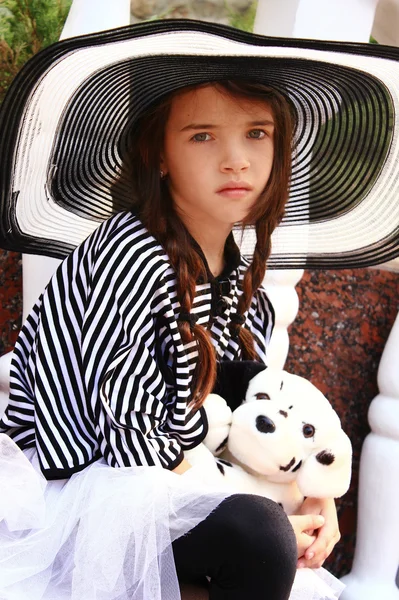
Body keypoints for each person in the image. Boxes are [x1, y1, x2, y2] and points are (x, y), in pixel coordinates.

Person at [1, 16, 398, 600]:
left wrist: (315, 489)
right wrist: (266, 513)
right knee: (259, 534)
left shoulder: (235, 274)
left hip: (171, 474)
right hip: (78, 484)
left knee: (269, 534)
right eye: (202, 136)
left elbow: (255, 400)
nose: (236, 159)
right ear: (159, 156)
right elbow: (128, 437)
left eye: (257, 134)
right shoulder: (129, 252)